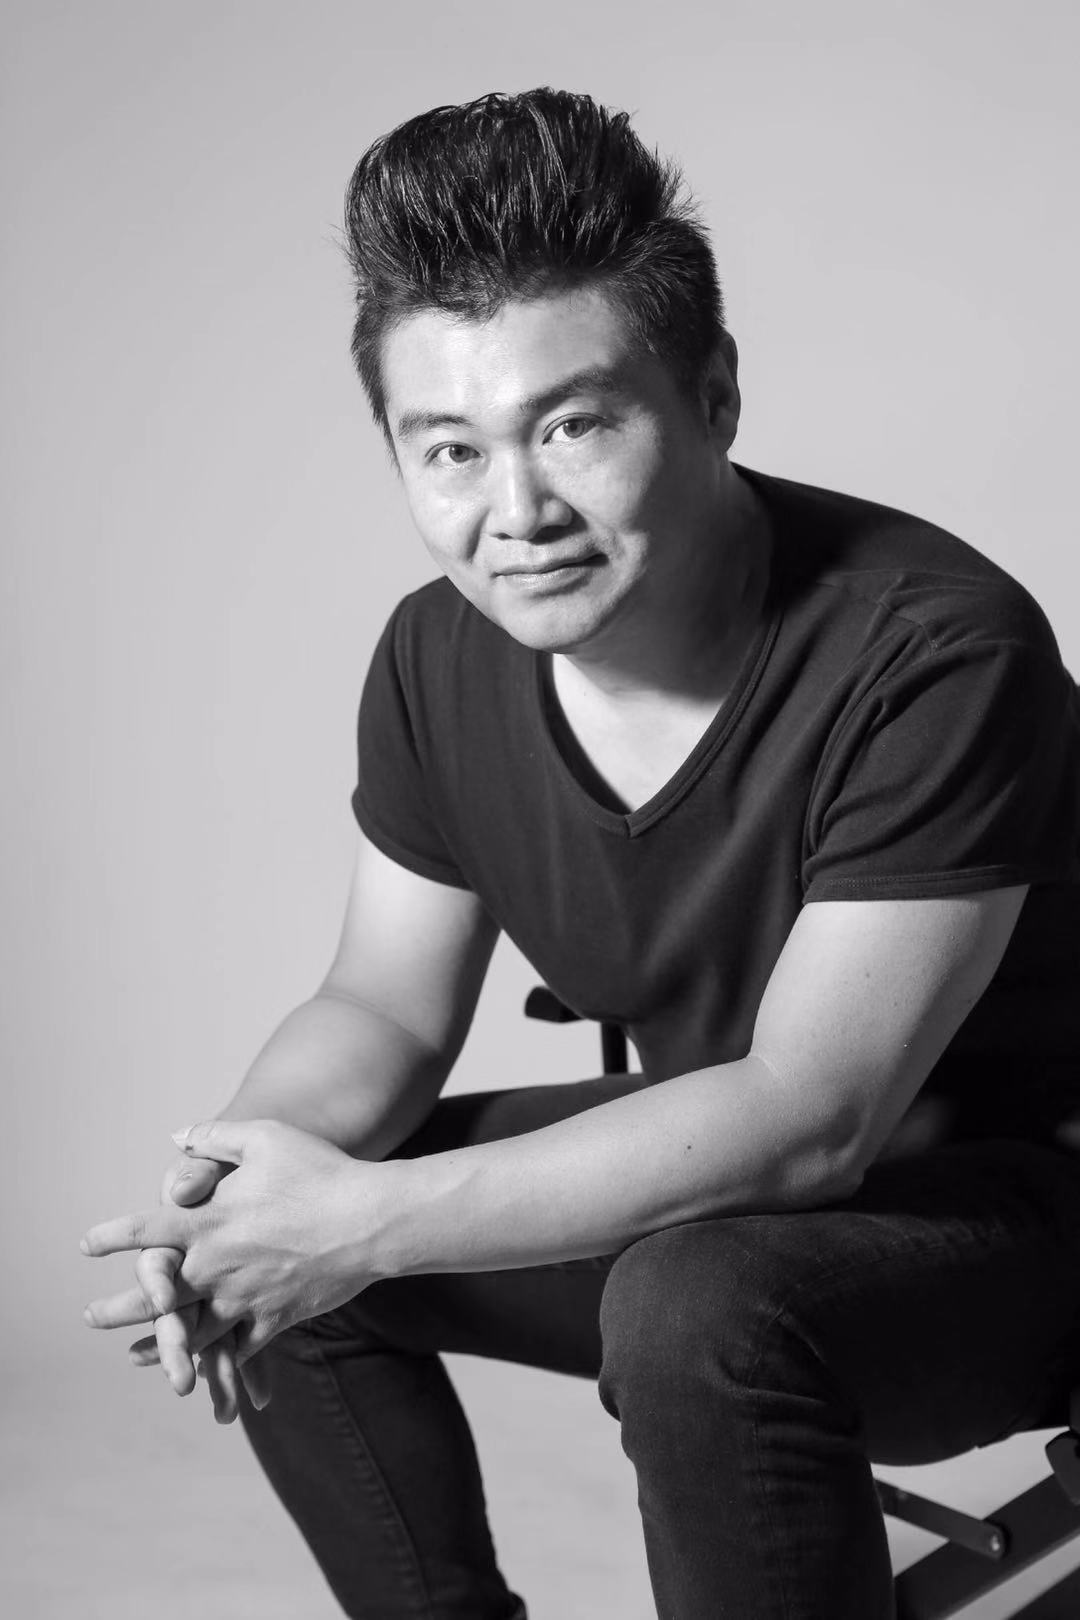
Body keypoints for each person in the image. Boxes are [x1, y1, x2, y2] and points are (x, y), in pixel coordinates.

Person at [81, 88, 1080, 1620]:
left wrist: (357, 1227)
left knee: (686, 1300)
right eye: (450, 450)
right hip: (735, 1194)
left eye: (574, 426)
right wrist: (239, 1182)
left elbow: (813, 1119)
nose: (517, 512)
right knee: (295, 1231)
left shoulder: (936, 649)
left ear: (715, 396)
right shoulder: (437, 656)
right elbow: (380, 1007)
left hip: (1017, 1221)